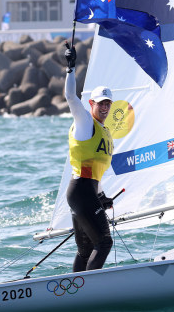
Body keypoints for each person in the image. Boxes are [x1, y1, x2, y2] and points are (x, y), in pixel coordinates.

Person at [64, 43, 114, 272]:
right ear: (91, 104)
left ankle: (75, 294)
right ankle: (88, 291)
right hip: (81, 191)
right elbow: (70, 97)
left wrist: (102, 195)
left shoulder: (105, 132)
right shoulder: (85, 122)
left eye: (107, 104)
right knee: (104, 242)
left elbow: (96, 171)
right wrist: (71, 68)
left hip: (86, 193)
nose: (104, 107)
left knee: (85, 250)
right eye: (100, 103)